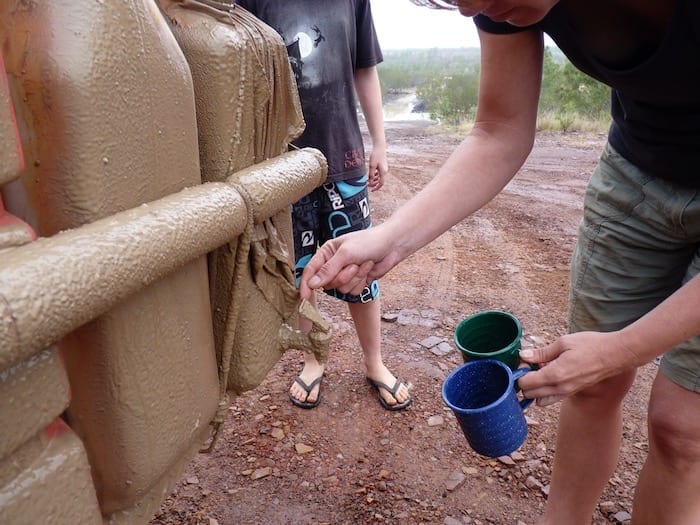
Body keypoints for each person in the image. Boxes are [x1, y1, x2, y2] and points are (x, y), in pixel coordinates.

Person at [299, 0, 700, 523]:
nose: (470, 9)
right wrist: (388, 241)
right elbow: (499, 129)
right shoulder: (495, 2)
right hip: (637, 167)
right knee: (591, 385)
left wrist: (622, 349)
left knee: (681, 430)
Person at [236, 0, 412, 411]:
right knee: (302, 270)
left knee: (361, 269)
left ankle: (374, 363)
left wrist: (380, 145)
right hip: (281, 165)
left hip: (344, 160)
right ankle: (313, 359)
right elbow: (241, 81)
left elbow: (364, 70)